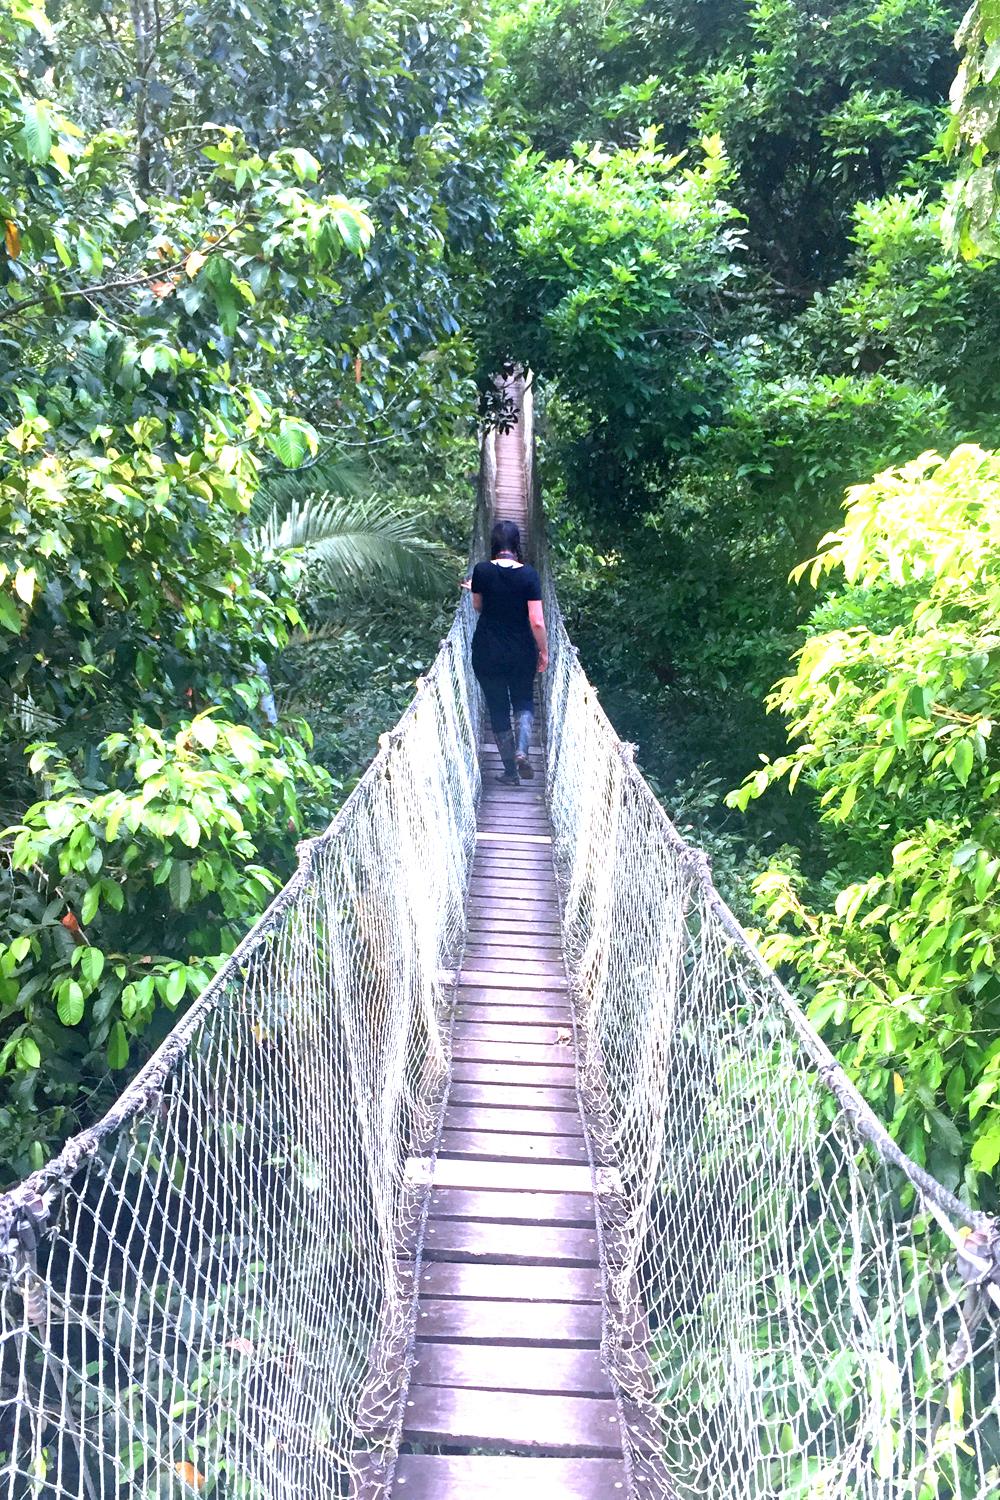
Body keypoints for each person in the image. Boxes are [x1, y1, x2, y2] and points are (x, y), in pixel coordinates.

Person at [468, 520, 548, 787]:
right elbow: (536, 620)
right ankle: (522, 751)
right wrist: (544, 650)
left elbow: (478, 607)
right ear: (516, 546)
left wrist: (477, 590)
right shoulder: (528, 575)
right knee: (524, 700)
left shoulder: (481, 571)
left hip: (487, 651)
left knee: (498, 708)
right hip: (521, 651)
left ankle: (511, 773)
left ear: (494, 545)